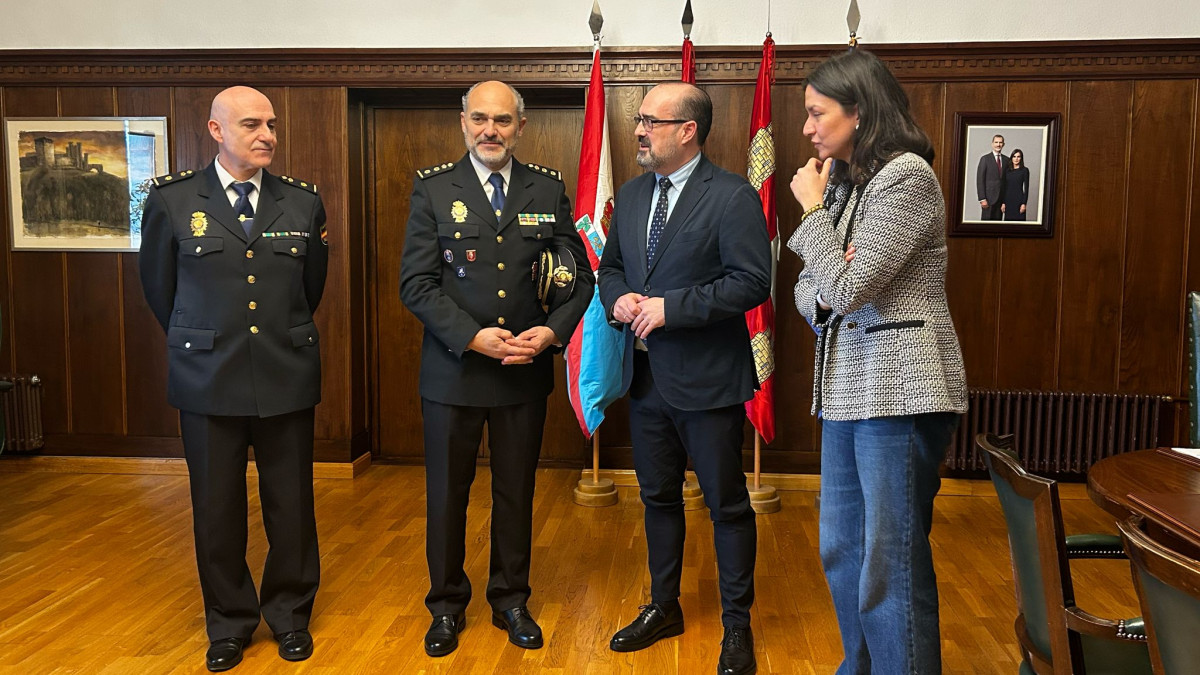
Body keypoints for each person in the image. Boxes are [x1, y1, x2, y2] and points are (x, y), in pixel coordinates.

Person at [786, 49, 968, 675]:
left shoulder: (905, 176)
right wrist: (833, 265)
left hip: (903, 389)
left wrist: (813, 215)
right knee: (841, 548)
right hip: (844, 387)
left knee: (890, 559)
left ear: (858, 110)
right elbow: (809, 295)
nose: (807, 128)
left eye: (818, 113)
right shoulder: (847, 181)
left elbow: (843, 286)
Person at [398, 80, 593, 658]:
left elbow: (578, 277)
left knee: (515, 492)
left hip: (522, 372)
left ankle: (510, 598)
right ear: (463, 123)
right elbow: (416, 283)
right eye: (480, 119)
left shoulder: (547, 188)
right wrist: (471, 337)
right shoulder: (434, 190)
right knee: (447, 495)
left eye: (503, 121)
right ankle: (446, 606)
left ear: (521, 127)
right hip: (454, 372)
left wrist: (554, 330)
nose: (491, 130)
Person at [138, 86, 329, 672]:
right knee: (216, 508)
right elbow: (160, 290)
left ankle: (290, 615)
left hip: (284, 372)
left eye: (271, 124)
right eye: (251, 124)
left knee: (291, 505)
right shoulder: (173, 201)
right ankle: (228, 622)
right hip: (207, 378)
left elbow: (310, 289)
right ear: (217, 130)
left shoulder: (302, 204)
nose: (267, 134)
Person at [597, 82, 771, 675]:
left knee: (726, 506)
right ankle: (663, 606)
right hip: (646, 382)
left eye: (650, 120)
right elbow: (612, 269)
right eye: (639, 119)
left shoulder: (731, 196)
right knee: (657, 499)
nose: (639, 130)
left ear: (687, 130)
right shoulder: (630, 192)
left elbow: (752, 281)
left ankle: (737, 628)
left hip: (710, 383)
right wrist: (618, 299)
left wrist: (673, 308)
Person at [975, 134, 1010, 220]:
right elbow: (980, 180)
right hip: (988, 199)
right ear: (992, 144)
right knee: (986, 227)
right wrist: (982, 198)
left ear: (1003, 144)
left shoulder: (1007, 160)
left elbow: (1007, 181)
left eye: (1000, 142)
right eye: (996, 142)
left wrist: (1005, 201)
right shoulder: (985, 159)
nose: (998, 144)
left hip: (1001, 199)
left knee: (998, 226)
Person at [1002, 148, 1030, 221]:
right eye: (1014, 156)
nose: (1016, 159)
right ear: (1011, 158)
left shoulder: (1024, 170)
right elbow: (1004, 187)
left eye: (1018, 156)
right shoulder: (1007, 171)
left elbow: (1026, 188)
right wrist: (1003, 202)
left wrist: (1024, 203)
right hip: (1008, 201)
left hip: (1019, 201)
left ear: (1021, 158)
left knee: (1019, 225)